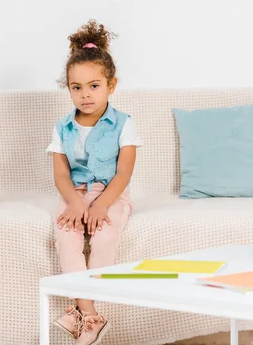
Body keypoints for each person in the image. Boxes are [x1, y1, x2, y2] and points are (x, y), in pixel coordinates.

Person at [46, 20, 142, 344]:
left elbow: (124, 172)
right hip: (75, 192)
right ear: (68, 88)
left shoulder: (124, 124)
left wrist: (101, 205)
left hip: (110, 193)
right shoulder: (62, 127)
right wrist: (74, 202)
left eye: (94, 85)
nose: (85, 94)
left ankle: (82, 312)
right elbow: (61, 173)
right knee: (66, 236)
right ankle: (89, 315)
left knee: (102, 237)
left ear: (111, 85)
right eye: (76, 87)